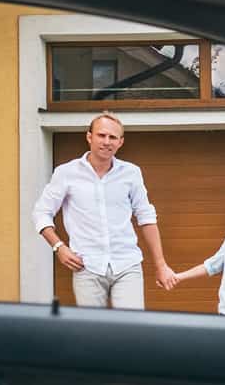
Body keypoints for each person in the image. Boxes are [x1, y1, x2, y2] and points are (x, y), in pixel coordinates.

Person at [31, 112, 178, 309]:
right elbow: (41, 213)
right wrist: (59, 247)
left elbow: (146, 217)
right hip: (87, 266)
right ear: (89, 137)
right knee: (92, 332)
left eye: (113, 137)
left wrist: (161, 266)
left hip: (127, 264)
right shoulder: (66, 173)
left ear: (120, 142)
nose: (107, 141)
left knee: (132, 329)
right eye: (101, 135)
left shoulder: (131, 173)